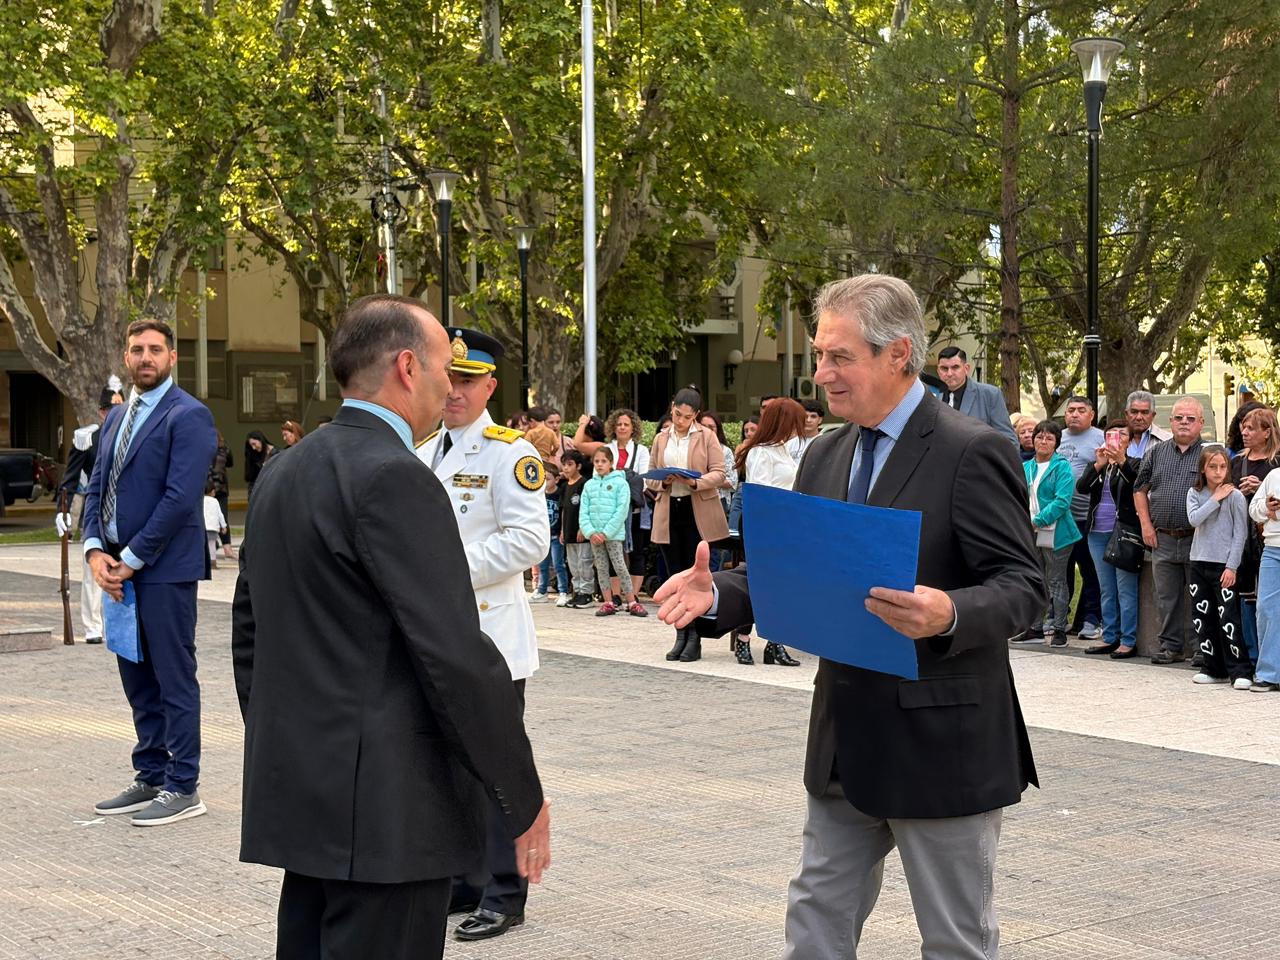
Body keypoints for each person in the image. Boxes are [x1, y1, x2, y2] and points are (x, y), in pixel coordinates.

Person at [656, 274, 1043, 959]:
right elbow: (800, 577)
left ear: (898, 354)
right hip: (846, 741)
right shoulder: (826, 452)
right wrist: (720, 596)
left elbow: (1022, 587)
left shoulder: (970, 449)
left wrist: (949, 611)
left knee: (955, 941)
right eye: (819, 354)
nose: (821, 373)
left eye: (839, 357)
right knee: (814, 923)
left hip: (943, 744)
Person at [232, 295, 550, 960]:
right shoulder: (395, 476)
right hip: (388, 815)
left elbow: (250, 632)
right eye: (442, 366)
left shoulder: (285, 470)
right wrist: (520, 796)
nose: (447, 382)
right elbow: (454, 656)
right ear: (408, 367)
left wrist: (292, 747)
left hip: (311, 799)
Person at [414, 326, 551, 942]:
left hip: (491, 637)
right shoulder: (423, 451)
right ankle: (464, 880)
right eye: (451, 378)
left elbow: (530, 542)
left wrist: (443, 570)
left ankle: (504, 892)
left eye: (468, 382)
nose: (455, 392)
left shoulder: (508, 452)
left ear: (490, 386)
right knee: (450, 767)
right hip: (438, 637)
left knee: (496, 766)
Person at [83, 319, 217, 826]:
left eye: (155, 350)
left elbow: (181, 499)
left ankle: (184, 785)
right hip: (116, 570)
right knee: (136, 676)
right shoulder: (117, 418)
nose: (145, 357)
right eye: (137, 349)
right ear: (125, 356)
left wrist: (131, 559)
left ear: (172, 357)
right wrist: (96, 552)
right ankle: (150, 775)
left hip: (162, 571)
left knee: (172, 678)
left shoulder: (190, 416)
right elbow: (97, 487)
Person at [647, 387, 728, 663]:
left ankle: (695, 638)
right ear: (672, 408)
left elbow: (720, 472)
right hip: (671, 509)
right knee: (675, 575)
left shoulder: (706, 437)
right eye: (676, 414)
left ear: (695, 416)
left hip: (697, 509)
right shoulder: (661, 438)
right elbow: (650, 478)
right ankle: (681, 634)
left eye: (686, 416)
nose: (680, 420)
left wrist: (695, 481)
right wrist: (665, 480)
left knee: (695, 575)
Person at [727, 397, 805, 666]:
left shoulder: (782, 449)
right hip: (764, 524)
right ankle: (744, 640)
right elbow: (759, 494)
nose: (798, 429)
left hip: (784, 524)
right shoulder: (761, 451)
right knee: (758, 584)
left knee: (782, 586)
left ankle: (775, 642)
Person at [1135, 396, 1207, 664]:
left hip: (1197, 538)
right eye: (1179, 418)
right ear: (1171, 421)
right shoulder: (1155, 452)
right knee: (1166, 597)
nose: (1184, 423)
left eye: (1190, 419)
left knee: (1199, 595)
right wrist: (1146, 526)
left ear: (1201, 423)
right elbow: (1139, 490)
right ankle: (1171, 647)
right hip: (1162, 537)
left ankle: (1202, 648)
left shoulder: (1209, 454)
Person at [55, 378, 124, 644]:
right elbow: (70, 478)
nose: (119, 410)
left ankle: (117, 622)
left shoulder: (133, 433)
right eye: (113, 407)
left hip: (125, 513)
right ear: (102, 411)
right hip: (96, 513)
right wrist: (63, 510)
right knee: (92, 572)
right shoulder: (87, 439)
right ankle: (93, 626)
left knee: (121, 568)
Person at [1076, 420, 1143, 658]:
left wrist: (1121, 461)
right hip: (1097, 532)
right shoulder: (1099, 465)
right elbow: (1082, 487)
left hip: (1124, 534)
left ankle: (1128, 640)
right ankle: (1110, 636)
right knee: (1107, 588)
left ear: (1129, 440)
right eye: (1110, 434)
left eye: (1121, 434)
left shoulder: (1135, 463)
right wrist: (1098, 464)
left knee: (1126, 589)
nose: (1115, 438)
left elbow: (1138, 485)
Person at [1186, 446, 1250, 688]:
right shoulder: (1195, 492)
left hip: (1224, 566)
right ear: (1203, 468)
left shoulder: (1235, 496)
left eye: (1223, 466)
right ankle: (1213, 667)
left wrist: (1232, 567)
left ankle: (1240, 670)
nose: (1218, 472)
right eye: (1212, 466)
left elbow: (1240, 534)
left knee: (1229, 619)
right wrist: (1215, 498)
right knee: (1203, 617)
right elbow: (1194, 519)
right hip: (1199, 562)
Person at [1023, 420, 1082, 647]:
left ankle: (1059, 629)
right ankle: (1035, 628)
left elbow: (1062, 501)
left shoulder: (1062, 466)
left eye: (1049, 438)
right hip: (1030, 532)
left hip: (1057, 532)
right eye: (1039, 436)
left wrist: (1037, 521)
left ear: (1056, 442)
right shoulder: (1026, 467)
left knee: (1056, 580)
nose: (1043, 441)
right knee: (1035, 579)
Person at [1232, 406, 1280, 665]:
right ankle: (1251, 656)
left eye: (1251, 428)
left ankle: (1269, 658)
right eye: (1243, 427)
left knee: (1269, 603)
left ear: (1267, 432)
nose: (1245, 432)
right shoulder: (1237, 461)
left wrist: (1261, 489)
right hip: (1242, 537)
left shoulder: (1277, 463)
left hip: (1268, 538)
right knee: (1246, 597)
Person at [1057, 396, 1105, 641]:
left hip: (1088, 517)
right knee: (1062, 571)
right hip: (1060, 518)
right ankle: (1058, 619)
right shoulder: (1058, 437)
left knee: (1090, 570)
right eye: (1071, 410)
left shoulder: (1100, 438)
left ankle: (1092, 619)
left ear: (1092, 415)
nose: (1074, 414)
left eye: (1081, 410)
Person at [579, 447, 647, 617]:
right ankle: (608, 602)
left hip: (613, 535)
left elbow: (622, 510)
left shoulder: (620, 483)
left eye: (603, 461)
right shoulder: (589, 485)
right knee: (601, 568)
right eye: (596, 461)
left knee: (620, 566)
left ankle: (632, 601)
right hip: (594, 535)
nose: (600, 464)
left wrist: (606, 532)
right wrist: (590, 532)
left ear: (611, 463)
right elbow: (583, 511)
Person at [606, 408, 650, 601]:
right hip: (610, 508)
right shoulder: (607, 450)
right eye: (619, 424)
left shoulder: (641, 451)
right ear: (613, 427)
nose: (622, 427)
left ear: (633, 428)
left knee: (637, 552)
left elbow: (644, 479)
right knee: (612, 552)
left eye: (626, 424)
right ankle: (615, 594)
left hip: (634, 509)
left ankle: (632, 594)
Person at [934, 345, 1018, 443]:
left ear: (966, 368)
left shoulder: (989, 395)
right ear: (938, 371)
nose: (949, 373)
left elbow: (1009, 440)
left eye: (955, 367)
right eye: (944, 368)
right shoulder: (931, 397)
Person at [1248, 467, 1280, 692]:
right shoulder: (1274, 475)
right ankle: (1268, 673)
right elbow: (1253, 510)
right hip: (1272, 549)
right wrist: (1266, 509)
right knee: (1266, 609)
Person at [698, 411, 738, 574]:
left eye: (711, 427)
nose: (707, 430)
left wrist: (708, 478)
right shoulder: (691, 448)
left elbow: (732, 481)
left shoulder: (725, 451)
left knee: (713, 548)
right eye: (703, 426)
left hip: (717, 501)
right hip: (695, 500)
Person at [558, 450, 594, 608]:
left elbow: (587, 508)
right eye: (564, 465)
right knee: (573, 564)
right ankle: (577, 591)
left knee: (584, 562)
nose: (566, 468)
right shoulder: (565, 487)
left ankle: (587, 593)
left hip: (582, 533)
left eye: (570, 465)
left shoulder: (584, 484)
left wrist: (582, 528)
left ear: (578, 466)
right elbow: (564, 509)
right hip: (568, 531)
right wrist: (562, 531)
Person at [209, 431, 235, 560]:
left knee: (209, 516)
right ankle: (227, 547)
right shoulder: (225, 449)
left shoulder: (205, 448)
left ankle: (219, 546)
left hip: (209, 487)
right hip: (219, 487)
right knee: (223, 516)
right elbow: (230, 463)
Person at [1124, 390, 1170, 457]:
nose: (1139, 417)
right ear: (1126, 414)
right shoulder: (1114, 440)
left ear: (1153, 415)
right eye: (1134, 412)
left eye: (1144, 412)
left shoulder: (1167, 441)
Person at [202, 479, 228, 570]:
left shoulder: (200, 501)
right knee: (212, 545)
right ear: (213, 491)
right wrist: (224, 526)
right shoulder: (215, 501)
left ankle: (203, 562)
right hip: (213, 527)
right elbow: (220, 515)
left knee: (202, 545)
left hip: (203, 527)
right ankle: (213, 562)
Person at [244, 430, 276, 499]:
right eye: (251, 445)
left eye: (254, 444)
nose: (253, 448)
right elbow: (250, 479)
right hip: (258, 494)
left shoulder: (277, 453)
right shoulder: (253, 455)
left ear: (260, 440)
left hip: (273, 492)